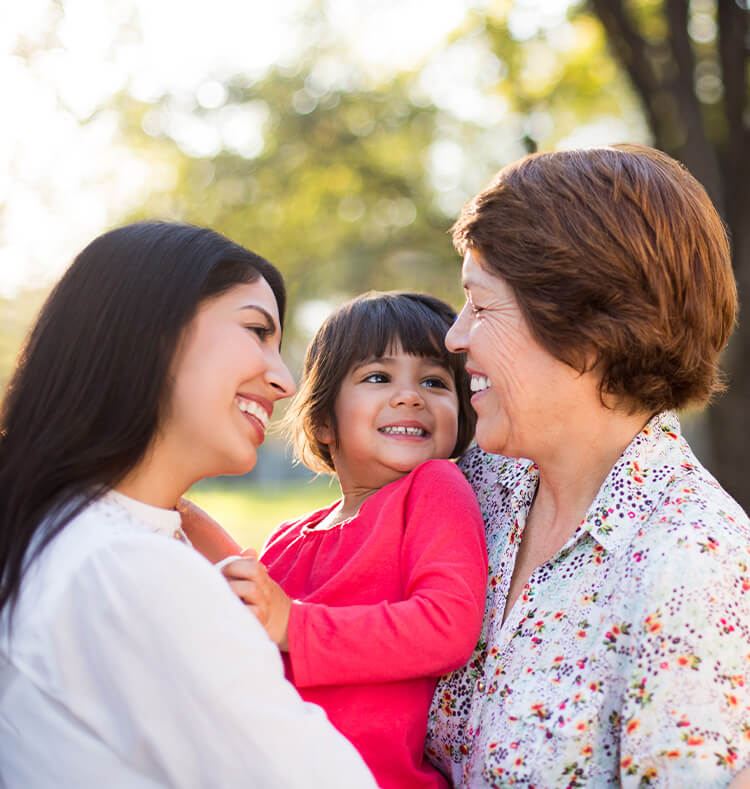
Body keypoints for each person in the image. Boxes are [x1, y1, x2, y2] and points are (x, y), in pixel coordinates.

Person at [0, 222, 378, 788]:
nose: (283, 381)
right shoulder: (125, 568)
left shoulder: (64, 535)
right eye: (256, 330)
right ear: (149, 329)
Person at [424, 144, 750, 787]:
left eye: (482, 306)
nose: (454, 337)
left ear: (587, 326)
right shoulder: (477, 487)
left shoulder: (693, 561)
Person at [215, 292, 488, 789]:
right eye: (378, 378)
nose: (411, 397)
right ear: (323, 421)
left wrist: (293, 624)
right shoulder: (288, 538)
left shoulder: (432, 490)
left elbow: (447, 624)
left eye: (434, 381)